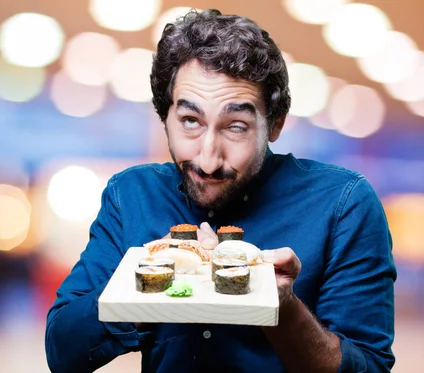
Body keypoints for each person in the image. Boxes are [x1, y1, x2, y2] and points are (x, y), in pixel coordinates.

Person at [45, 9, 396, 373]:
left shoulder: (344, 204)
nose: (209, 160)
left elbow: (369, 367)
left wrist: (283, 307)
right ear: (164, 116)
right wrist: (147, 278)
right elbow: (62, 351)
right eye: (190, 121)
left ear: (274, 125)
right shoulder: (130, 195)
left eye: (236, 126)